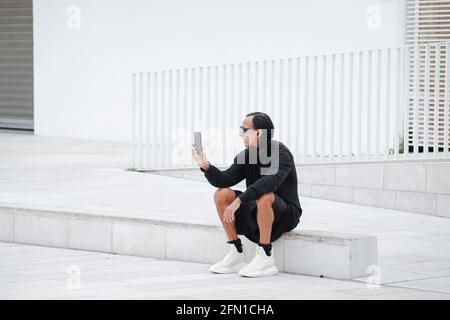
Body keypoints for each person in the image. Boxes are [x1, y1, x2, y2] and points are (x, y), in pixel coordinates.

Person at [192, 112, 302, 277]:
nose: (240, 134)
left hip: (284, 215)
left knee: (265, 195)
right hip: (256, 211)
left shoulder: (280, 153)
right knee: (222, 194)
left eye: (244, 129)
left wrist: (240, 201)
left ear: (259, 133)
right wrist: (206, 166)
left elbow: (269, 183)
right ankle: (236, 252)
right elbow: (225, 179)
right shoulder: (246, 155)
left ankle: (265, 256)